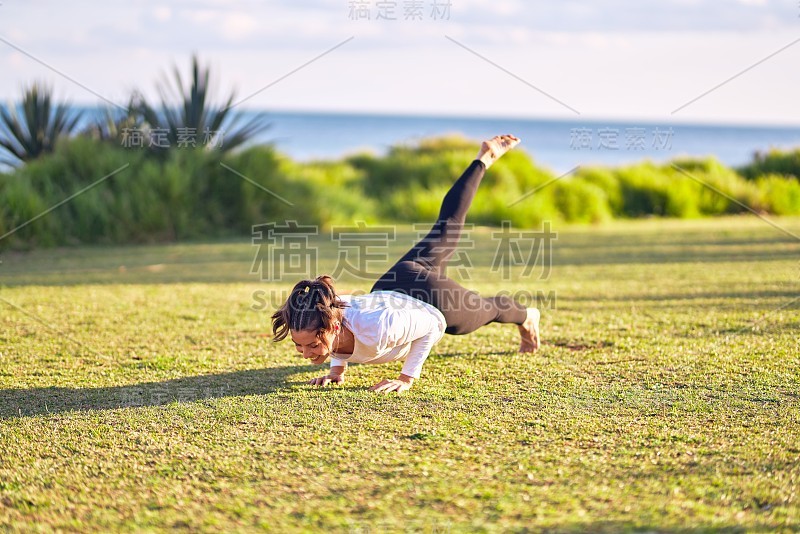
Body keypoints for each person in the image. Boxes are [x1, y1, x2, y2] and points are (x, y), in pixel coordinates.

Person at [271, 134, 540, 394]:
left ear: (332, 328)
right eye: (299, 346)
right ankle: (484, 158)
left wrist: (406, 378)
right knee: (447, 225)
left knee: (477, 316)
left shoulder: (378, 328)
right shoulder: (325, 310)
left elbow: (433, 325)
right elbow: (338, 334)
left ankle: (528, 317)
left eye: (312, 345)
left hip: (430, 298)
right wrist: (336, 372)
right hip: (396, 281)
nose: (306, 353)